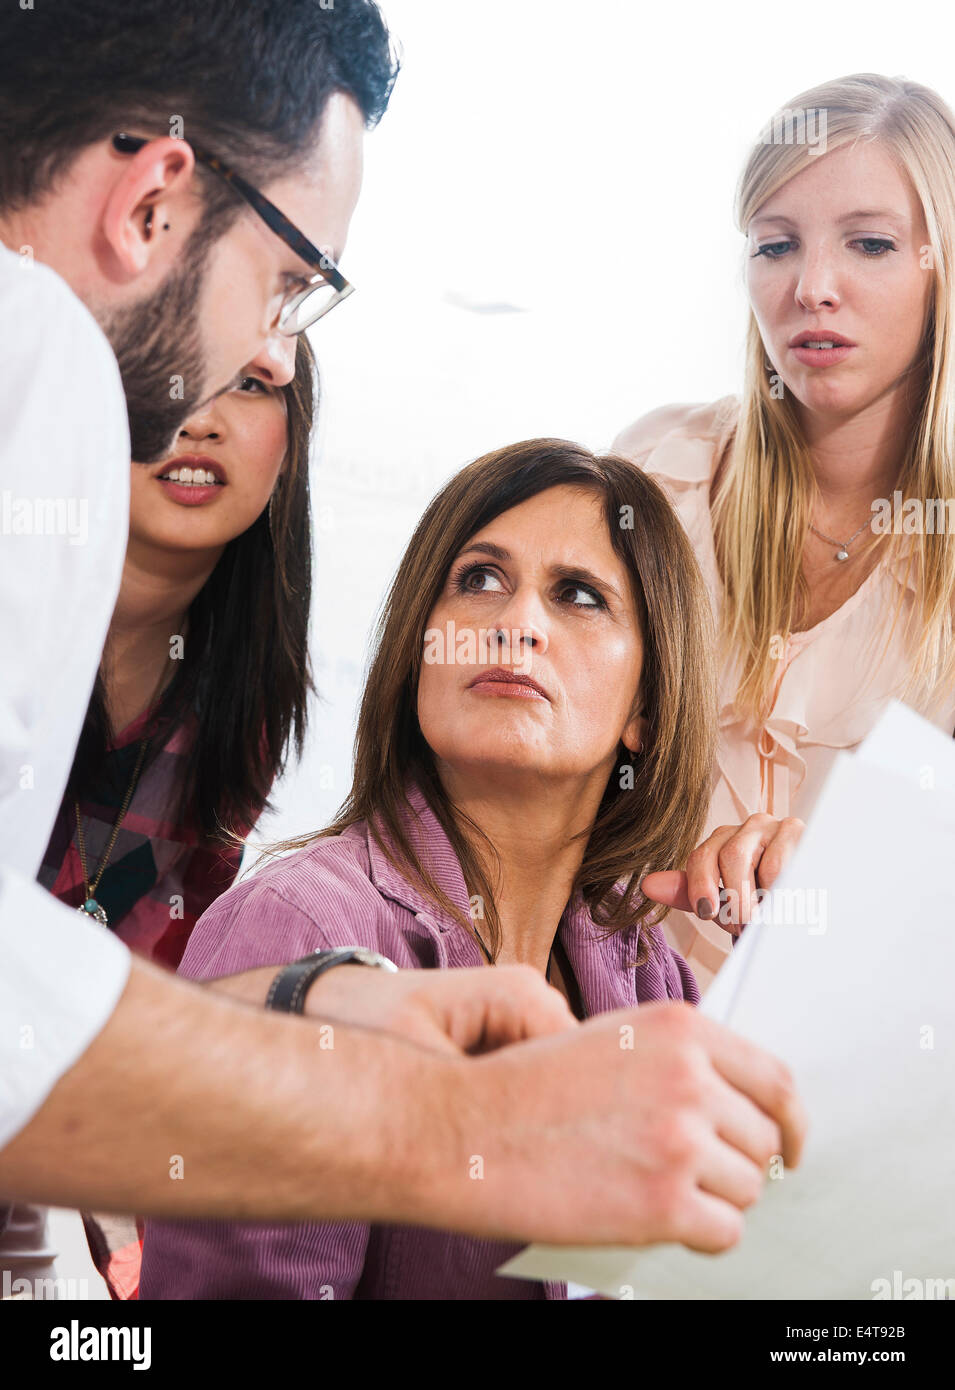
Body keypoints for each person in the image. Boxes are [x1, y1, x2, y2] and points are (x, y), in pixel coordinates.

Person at [0, 0, 805, 1269]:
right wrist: (452, 1121)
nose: (262, 351)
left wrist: (311, 1002)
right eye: (285, 285)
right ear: (153, 199)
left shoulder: (643, 965)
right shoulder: (30, 347)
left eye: (581, 597)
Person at [140, 439, 807, 1300]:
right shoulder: (298, 931)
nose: (514, 621)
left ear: (645, 707)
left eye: (577, 595)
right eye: (478, 579)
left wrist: (801, 982)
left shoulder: (655, 983)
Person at [614, 73, 955, 989]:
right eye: (775, 245)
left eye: (870, 244)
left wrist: (851, 883)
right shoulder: (660, 469)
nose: (811, 289)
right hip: (614, 1028)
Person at [4, 339, 318, 1301]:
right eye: (176, 373)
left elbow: (150, 1000)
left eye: (256, 387)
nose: (204, 417)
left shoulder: (243, 709)